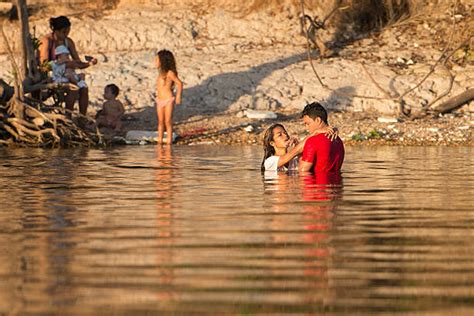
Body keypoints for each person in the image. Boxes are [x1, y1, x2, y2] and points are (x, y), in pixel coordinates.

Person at [39, 16, 97, 115]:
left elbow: (77, 62)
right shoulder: (47, 41)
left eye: (68, 32)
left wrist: (91, 62)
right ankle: (68, 116)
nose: (66, 35)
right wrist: (61, 64)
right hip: (52, 75)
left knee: (84, 88)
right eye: (64, 32)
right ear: (56, 31)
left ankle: (82, 117)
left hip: (67, 74)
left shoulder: (68, 42)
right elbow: (43, 66)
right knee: (73, 88)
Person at [261, 123, 336, 172]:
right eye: (280, 135)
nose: (285, 135)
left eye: (285, 132)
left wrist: (332, 130)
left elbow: (304, 166)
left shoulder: (294, 160)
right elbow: (295, 151)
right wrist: (315, 132)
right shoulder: (269, 162)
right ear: (272, 143)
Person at [299, 102, 345, 173]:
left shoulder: (312, 141)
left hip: (317, 183)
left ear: (318, 120)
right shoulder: (338, 140)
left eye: (308, 124)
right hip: (337, 182)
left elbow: (303, 171)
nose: (306, 128)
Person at [155, 49, 183, 145]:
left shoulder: (170, 73)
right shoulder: (160, 73)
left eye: (157, 60)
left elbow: (179, 83)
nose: (155, 62)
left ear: (163, 61)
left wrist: (178, 96)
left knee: (167, 121)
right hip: (159, 100)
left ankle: (169, 142)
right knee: (160, 121)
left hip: (168, 99)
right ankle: (160, 141)